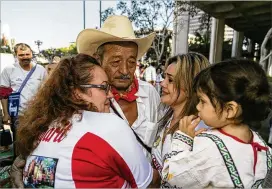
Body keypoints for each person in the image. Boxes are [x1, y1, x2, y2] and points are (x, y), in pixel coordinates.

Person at [15, 54, 156, 188]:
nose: (110, 95)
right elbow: (148, 183)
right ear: (76, 93)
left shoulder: (44, 127)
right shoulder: (109, 126)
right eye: (103, 87)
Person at [161, 59, 271, 188]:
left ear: (230, 110)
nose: (197, 107)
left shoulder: (209, 147)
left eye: (202, 101)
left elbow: (171, 176)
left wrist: (183, 139)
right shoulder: (260, 144)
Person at [77, 15, 160, 159]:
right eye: (115, 62)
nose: (124, 70)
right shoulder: (88, 97)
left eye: (131, 62)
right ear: (98, 60)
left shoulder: (150, 93)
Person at [151, 52, 210, 187]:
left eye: (170, 80)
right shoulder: (166, 115)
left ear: (190, 87)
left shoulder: (200, 130)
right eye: (164, 77)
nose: (162, 83)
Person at [0, 43, 47, 155]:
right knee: (19, 143)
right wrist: (6, 114)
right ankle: (18, 167)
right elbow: (3, 94)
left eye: (27, 54)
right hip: (17, 115)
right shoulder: (9, 70)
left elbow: (46, 91)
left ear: (31, 54)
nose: (25, 57)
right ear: (16, 55)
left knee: (37, 142)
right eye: (21, 55)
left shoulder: (40, 69)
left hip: (37, 114)